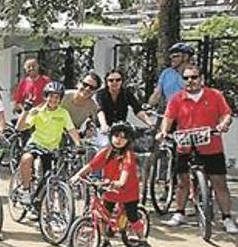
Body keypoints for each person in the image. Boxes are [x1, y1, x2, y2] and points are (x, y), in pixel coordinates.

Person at [159, 65, 236, 233]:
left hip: (211, 145)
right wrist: (164, 131)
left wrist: (223, 123)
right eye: (186, 78)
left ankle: (227, 217)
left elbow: (226, 113)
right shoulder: (177, 98)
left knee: (219, 183)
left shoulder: (215, 95)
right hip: (185, 145)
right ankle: (179, 212)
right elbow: (168, 117)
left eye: (193, 77)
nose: (190, 81)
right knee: (182, 182)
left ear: (201, 78)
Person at [70, 121, 147, 247]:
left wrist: (118, 183)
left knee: (132, 216)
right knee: (104, 215)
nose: (119, 139)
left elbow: (125, 174)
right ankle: (104, 240)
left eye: (124, 137)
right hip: (110, 190)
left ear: (128, 140)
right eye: (116, 135)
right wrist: (77, 175)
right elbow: (91, 165)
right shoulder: (106, 151)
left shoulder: (128, 156)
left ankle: (142, 240)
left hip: (128, 191)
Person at [15, 81, 82, 204]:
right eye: (51, 96)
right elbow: (20, 127)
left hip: (52, 148)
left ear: (61, 99)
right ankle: (25, 190)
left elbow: (71, 130)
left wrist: (78, 144)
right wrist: (26, 111)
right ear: (46, 96)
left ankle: (40, 203)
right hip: (36, 144)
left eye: (57, 97)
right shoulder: (37, 110)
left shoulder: (63, 113)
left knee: (48, 177)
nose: (53, 100)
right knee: (26, 159)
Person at [95, 69, 154, 143]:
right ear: (107, 82)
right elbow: (100, 110)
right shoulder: (101, 94)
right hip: (103, 129)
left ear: (122, 81)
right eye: (111, 80)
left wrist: (151, 124)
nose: (114, 82)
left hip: (120, 129)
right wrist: (104, 125)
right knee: (105, 145)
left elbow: (138, 110)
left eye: (118, 80)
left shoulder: (126, 93)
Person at [148, 42, 194, 107]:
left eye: (175, 56)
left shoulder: (194, 74)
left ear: (185, 57)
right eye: (171, 56)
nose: (172, 59)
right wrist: (148, 106)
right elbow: (157, 93)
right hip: (170, 112)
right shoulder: (166, 73)